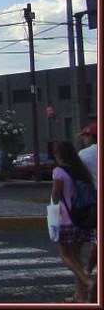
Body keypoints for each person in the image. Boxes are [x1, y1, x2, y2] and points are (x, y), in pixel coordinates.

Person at [51, 140, 96, 303]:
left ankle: (87, 282)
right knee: (76, 258)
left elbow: (55, 197)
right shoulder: (81, 171)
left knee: (65, 256)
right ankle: (80, 296)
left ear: (59, 155)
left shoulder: (59, 172)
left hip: (66, 220)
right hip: (82, 219)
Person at [78, 124, 98, 279]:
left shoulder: (85, 154)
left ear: (92, 136)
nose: (83, 139)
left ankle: (88, 271)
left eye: (85, 136)